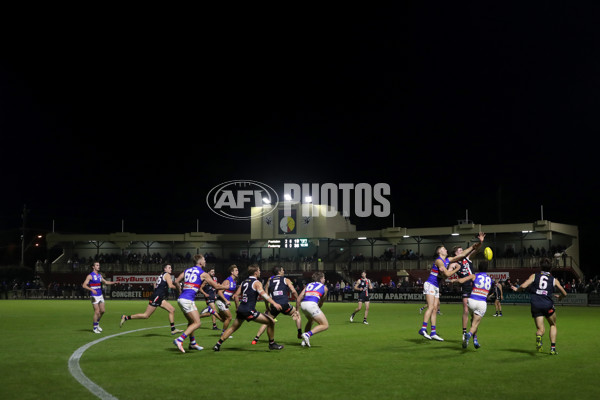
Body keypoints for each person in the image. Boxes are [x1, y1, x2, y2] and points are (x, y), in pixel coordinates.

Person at [418, 232, 485, 341]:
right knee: (431, 307)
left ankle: (433, 332)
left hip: (435, 286)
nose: (446, 250)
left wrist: (476, 244)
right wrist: (457, 269)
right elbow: (447, 275)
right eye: (444, 249)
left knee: (435, 309)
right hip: (430, 284)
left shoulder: (447, 260)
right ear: (439, 251)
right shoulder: (439, 261)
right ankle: (423, 328)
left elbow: (462, 255)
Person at [213, 264, 284, 351]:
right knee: (271, 322)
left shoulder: (244, 282)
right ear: (255, 273)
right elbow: (264, 295)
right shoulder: (257, 283)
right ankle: (272, 344)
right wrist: (274, 303)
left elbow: (235, 296)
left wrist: (238, 308)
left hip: (242, 309)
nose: (260, 272)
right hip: (249, 310)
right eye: (259, 270)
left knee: (232, 328)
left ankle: (218, 344)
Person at [172, 254, 228, 353]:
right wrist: (228, 288)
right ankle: (180, 340)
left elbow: (176, 281)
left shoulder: (187, 270)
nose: (205, 262)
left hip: (182, 299)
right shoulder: (203, 274)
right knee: (197, 323)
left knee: (191, 322)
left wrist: (180, 291)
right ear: (201, 262)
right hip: (187, 300)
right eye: (204, 260)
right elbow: (216, 286)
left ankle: (192, 343)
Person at [511, 258, 567, 355]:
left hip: (536, 304)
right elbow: (564, 293)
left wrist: (516, 290)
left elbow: (523, 286)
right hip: (547, 304)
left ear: (541, 267)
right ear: (550, 268)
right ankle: (552, 349)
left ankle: (539, 335)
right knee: (553, 325)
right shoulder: (554, 279)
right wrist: (560, 297)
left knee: (540, 329)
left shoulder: (534, 276)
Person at [119, 264, 183, 335]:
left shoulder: (162, 275)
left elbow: (155, 284)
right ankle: (126, 317)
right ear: (165, 269)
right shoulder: (167, 275)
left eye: (171, 268)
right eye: (169, 268)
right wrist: (179, 288)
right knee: (146, 315)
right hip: (157, 297)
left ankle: (173, 329)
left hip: (159, 297)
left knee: (172, 309)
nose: (171, 269)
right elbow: (170, 286)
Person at [251, 266, 302, 344]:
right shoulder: (286, 279)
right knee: (297, 314)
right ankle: (299, 332)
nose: (283, 271)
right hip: (285, 305)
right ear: (279, 272)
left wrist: (267, 307)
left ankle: (256, 339)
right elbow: (293, 291)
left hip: (274, 306)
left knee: (266, 321)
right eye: (282, 270)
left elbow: (266, 295)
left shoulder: (269, 280)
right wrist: (298, 299)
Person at [457, 261, 492, 349]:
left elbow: (461, 280)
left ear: (478, 268)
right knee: (475, 324)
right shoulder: (490, 279)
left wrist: (454, 280)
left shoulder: (474, 276)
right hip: (481, 303)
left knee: (473, 320)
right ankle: (469, 335)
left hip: (471, 301)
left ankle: (475, 340)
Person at [451, 243, 481, 340]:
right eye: (459, 251)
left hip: (474, 286)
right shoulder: (454, 263)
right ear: (456, 254)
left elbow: (477, 250)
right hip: (465, 286)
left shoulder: (467, 258)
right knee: (465, 310)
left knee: (474, 312)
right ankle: (464, 332)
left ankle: (474, 335)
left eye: (462, 250)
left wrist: (481, 242)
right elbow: (448, 272)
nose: (462, 251)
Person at [82, 262, 117, 333]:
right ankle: (95, 328)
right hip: (93, 296)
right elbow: (84, 285)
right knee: (97, 311)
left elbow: (106, 282)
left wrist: (114, 282)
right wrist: (92, 289)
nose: (98, 266)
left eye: (99, 265)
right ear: (93, 267)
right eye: (97, 265)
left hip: (100, 295)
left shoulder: (99, 275)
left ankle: (97, 324)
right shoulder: (90, 276)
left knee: (103, 311)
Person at [296, 271, 329, 348]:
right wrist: (316, 309)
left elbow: (298, 299)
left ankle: (304, 341)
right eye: (324, 278)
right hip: (312, 305)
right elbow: (321, 303)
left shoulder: (308, 285)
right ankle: (307, 334)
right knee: (325, 325)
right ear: (321, 279)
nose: (324, 279)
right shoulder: (324, 288)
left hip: (303, 305)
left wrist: (297, 311)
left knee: (311, 320)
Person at [215, 264, 239, 339]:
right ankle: (224, 333)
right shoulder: (227, 281)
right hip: (221, 301)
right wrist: (226, 301)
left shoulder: (234, 282)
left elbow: (229, 292)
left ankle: (212, 312)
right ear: (232, 272)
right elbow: (219, 292)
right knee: (229, 317)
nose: (238, 272)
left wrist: (231, 296)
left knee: (224, 319)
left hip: (224, 302)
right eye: (236, 270)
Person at [199, 266, 220, 330]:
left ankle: (196, 317)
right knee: (214, 310)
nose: (213, 273)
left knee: (209, 314)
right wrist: (205, 294)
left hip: (213, 297)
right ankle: (214, 326)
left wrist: (215, 294)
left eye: (214, 271)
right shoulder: (206, 280)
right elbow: (200, 288)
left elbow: (215, 287)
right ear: (208, 272)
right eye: (212, 271)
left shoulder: (215, 279)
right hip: (208, 297)